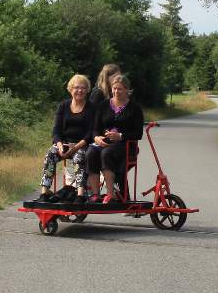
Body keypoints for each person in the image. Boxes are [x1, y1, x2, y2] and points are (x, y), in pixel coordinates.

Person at [84, 73, 144, 204]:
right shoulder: (103, 105)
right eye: (114, 88)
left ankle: (110, 194)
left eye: (120, 89)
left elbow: (138, 133)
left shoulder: (135, 108)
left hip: (126, 145)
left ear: (128, 90)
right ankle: (95, 194)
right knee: (91, 153)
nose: (116, 91)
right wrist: (96, 138)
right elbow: (95, 129)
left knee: (107, 153)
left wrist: (121, 136)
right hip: (104, 142)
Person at [34, 74, 93, 202]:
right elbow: (56, 130)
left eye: (83, 87)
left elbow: (90, 133)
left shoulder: (91, 107)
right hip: (64, 144)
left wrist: (76, 147)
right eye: (76, 87)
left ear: (87, 90)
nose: (80, 90)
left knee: (79, 157)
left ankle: (80, 194)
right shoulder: (63, 106)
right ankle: (44, 192)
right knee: (50, 154)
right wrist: (60, 146)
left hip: (82, 145)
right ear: (71, 89)